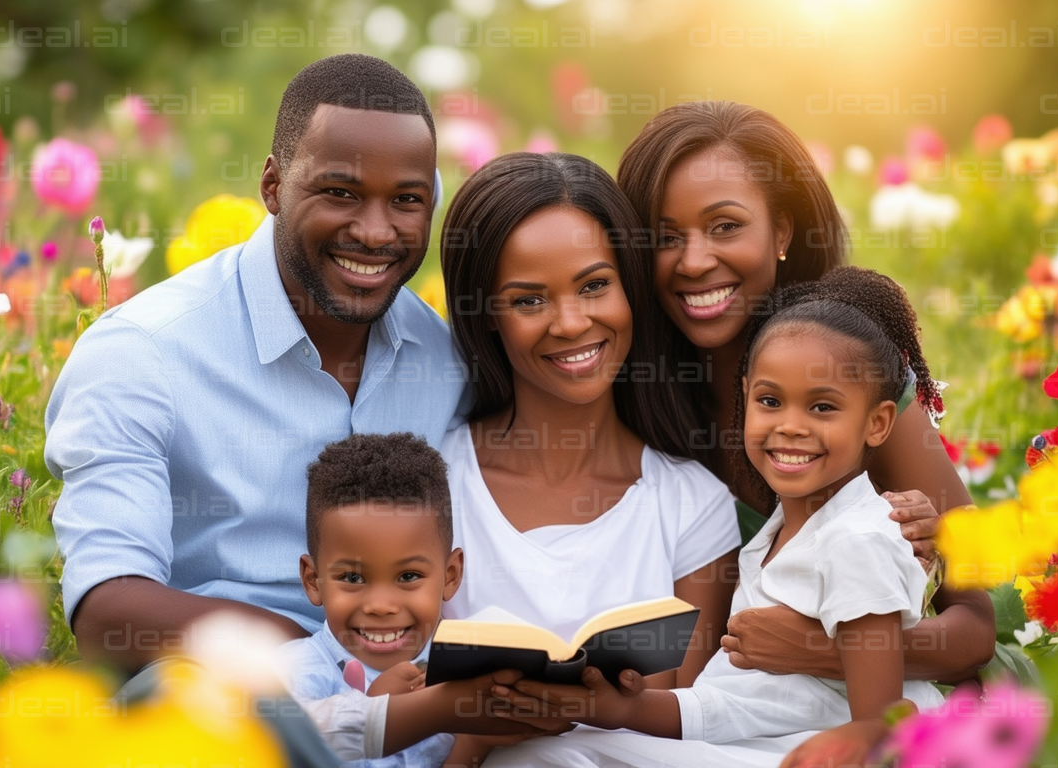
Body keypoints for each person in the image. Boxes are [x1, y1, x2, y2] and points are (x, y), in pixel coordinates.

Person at [44, 54, 466, 673]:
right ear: (272, 185)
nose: (376, 232)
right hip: (217, 706)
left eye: (406, 200)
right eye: (340, 193)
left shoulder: (446, 363)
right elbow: (110, 613)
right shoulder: (142, 353)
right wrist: (323, 669)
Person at [483, 267, 948, 768]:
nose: (790, 426)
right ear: (744, 396)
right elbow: (733, 705)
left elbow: (877, 728)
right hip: (750, 744)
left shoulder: (857, 540)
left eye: (822, 407)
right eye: (770, 401)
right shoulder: (775, 539)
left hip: (810, 754)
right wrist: (612, 706)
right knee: (540, 754)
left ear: (877, 423)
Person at [615, 101, 995, 685]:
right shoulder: (628, 384)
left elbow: (974, 629)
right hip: (706, 712)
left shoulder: (853, 368)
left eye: (725, 226)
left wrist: (820, 649)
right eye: (665, 237)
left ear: (783, 231)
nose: (694, 261)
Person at [437, 152, 741, 688]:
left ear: (630, 285)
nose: (572, 323)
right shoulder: (435, 485)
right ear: (485, 313)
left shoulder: (694, 505)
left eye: (595, 285)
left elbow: (690, 718)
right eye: (529, 300)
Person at [285, 432, 530, 767]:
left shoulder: (468, 666)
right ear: (313, 580)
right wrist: (379, 710)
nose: (381, 605)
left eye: (408, 577)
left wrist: (475, 742)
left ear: (450, 575)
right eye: (353, 578)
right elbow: (285, 744)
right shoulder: (297, 671)